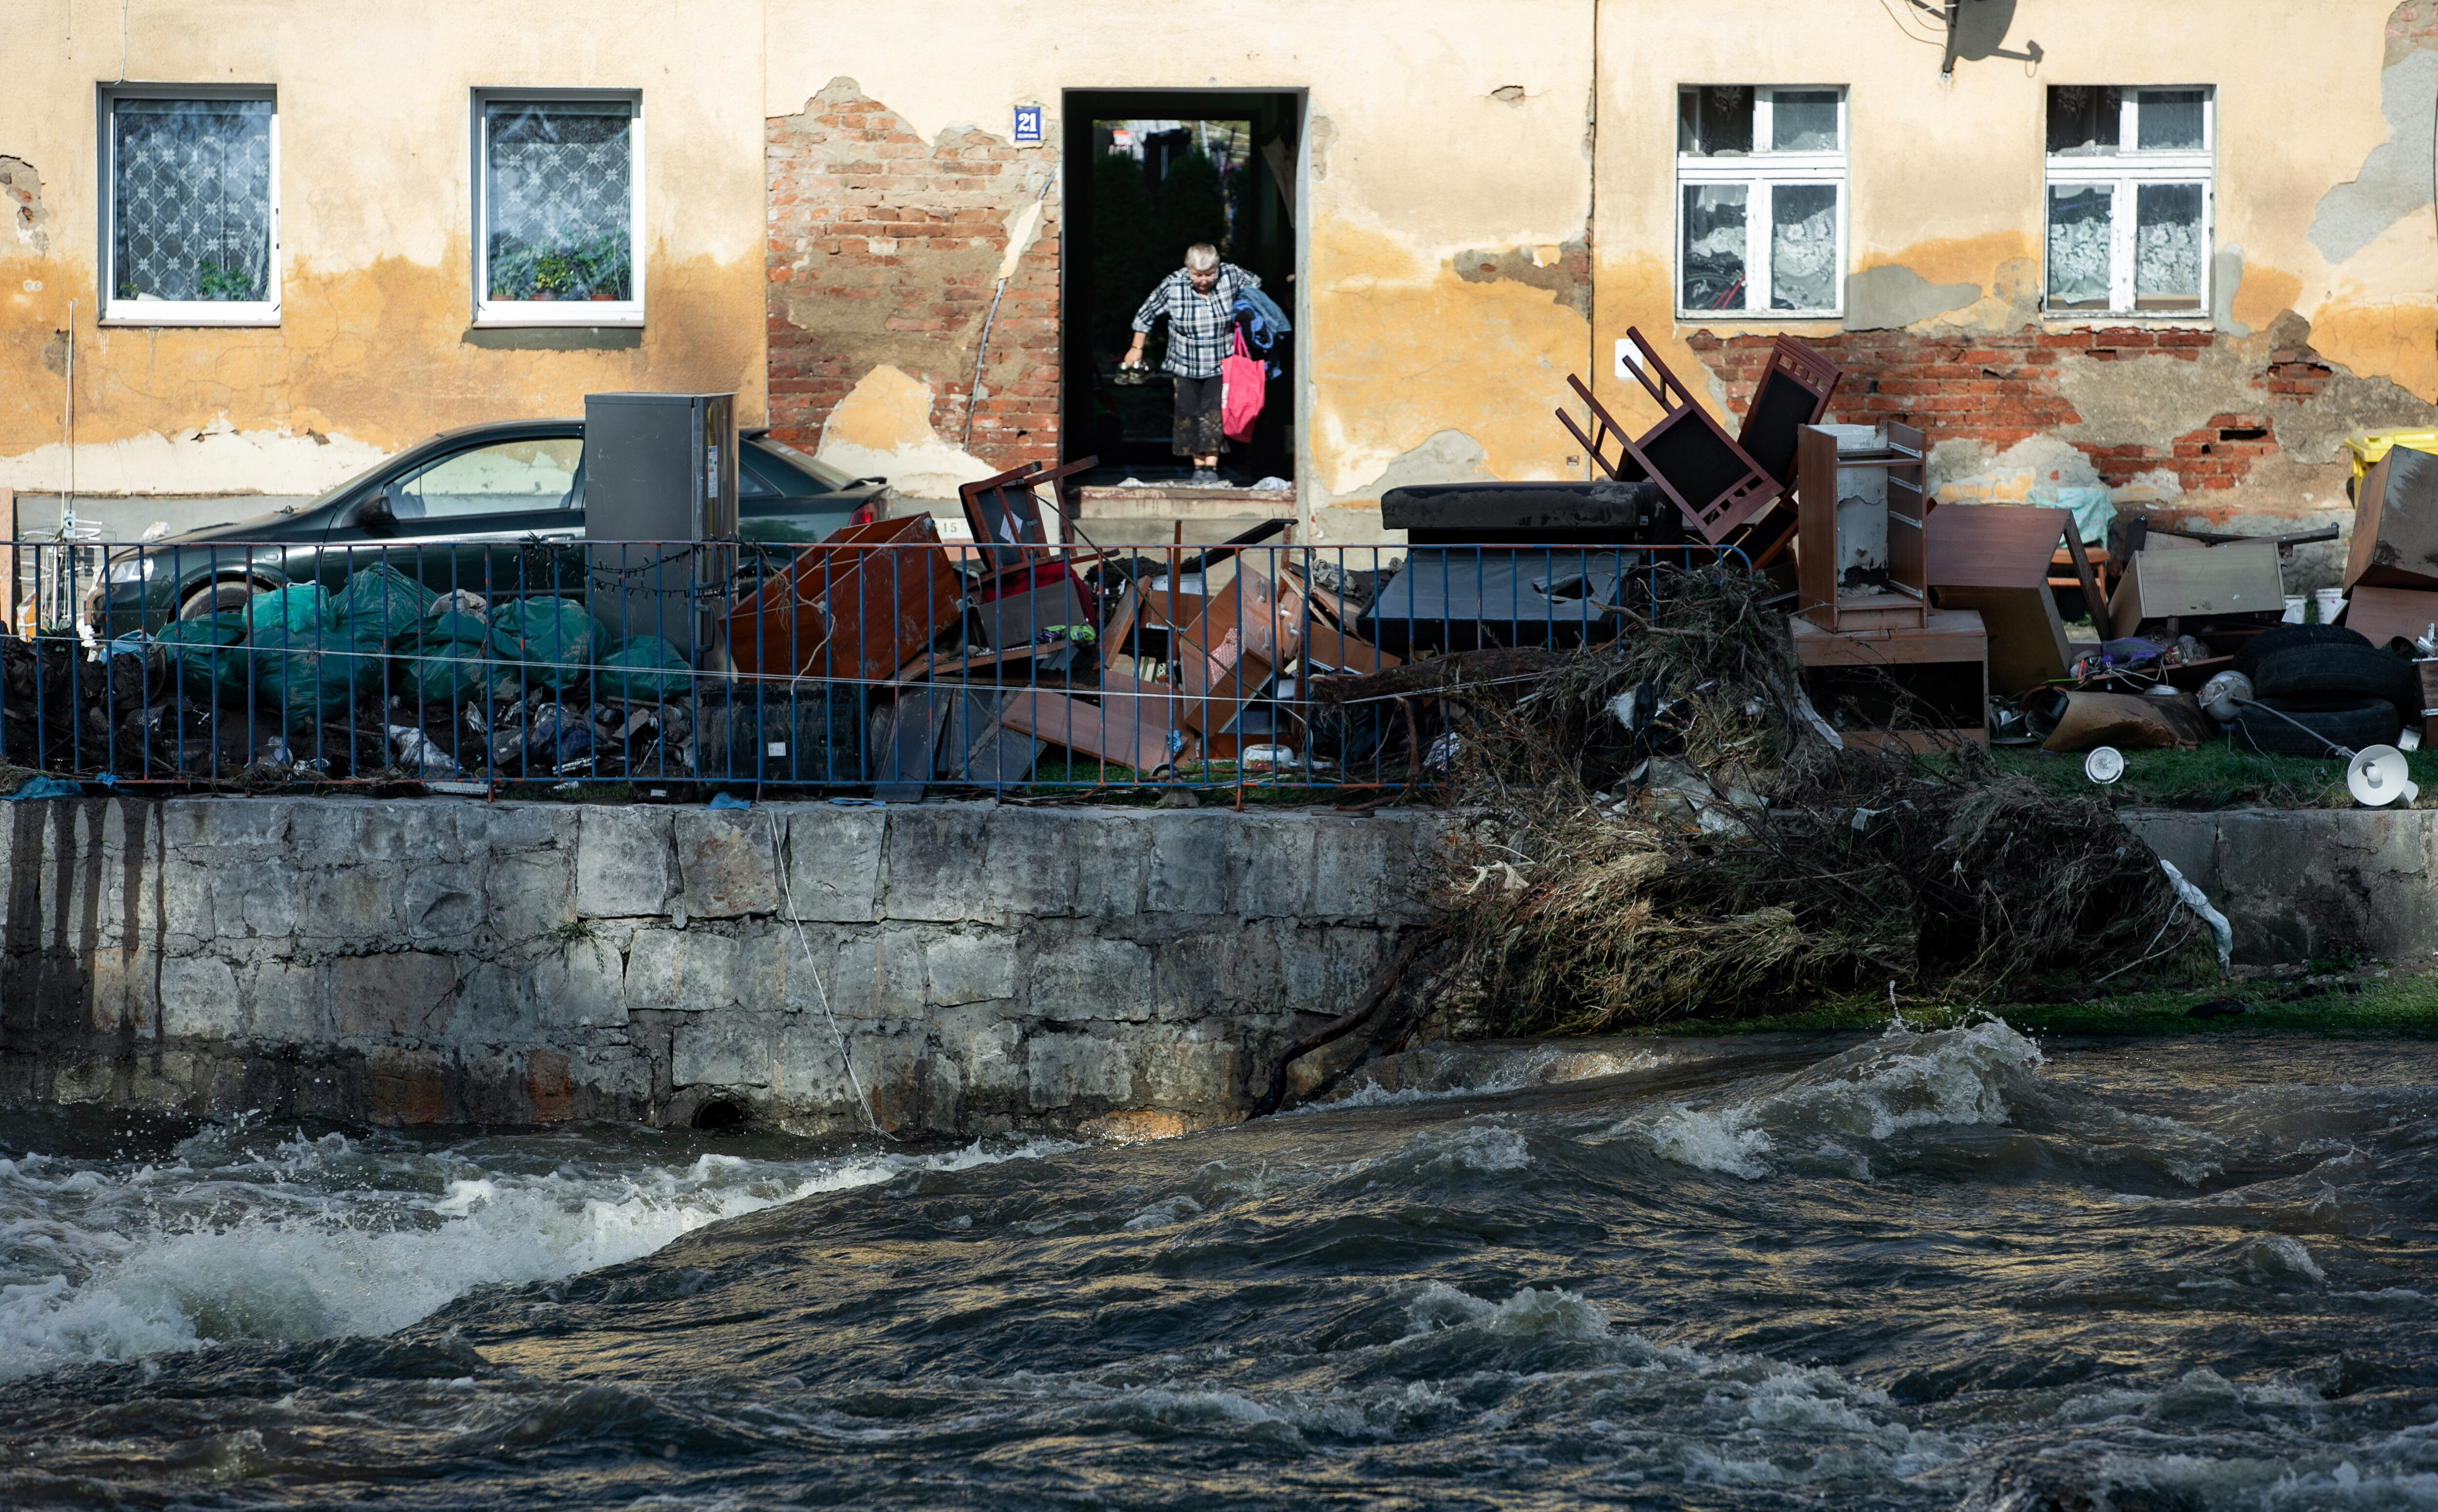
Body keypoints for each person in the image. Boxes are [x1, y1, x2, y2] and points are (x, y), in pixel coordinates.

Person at [1123, 243, 1260, 487]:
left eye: (1210, 274)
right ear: (1189, 269)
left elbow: (1256, 286)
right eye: (1198, 275)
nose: (1204, 280)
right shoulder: (1173, 284)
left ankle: (1212, 466)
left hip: (1222, 362)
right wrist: (1137, 348)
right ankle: (1198, 468)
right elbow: (1145, 315)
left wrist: (1246, 309)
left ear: (1217, 268)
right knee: (1189, 413)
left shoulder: (1230, 274)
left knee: (1214, 414)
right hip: (1185, 363)